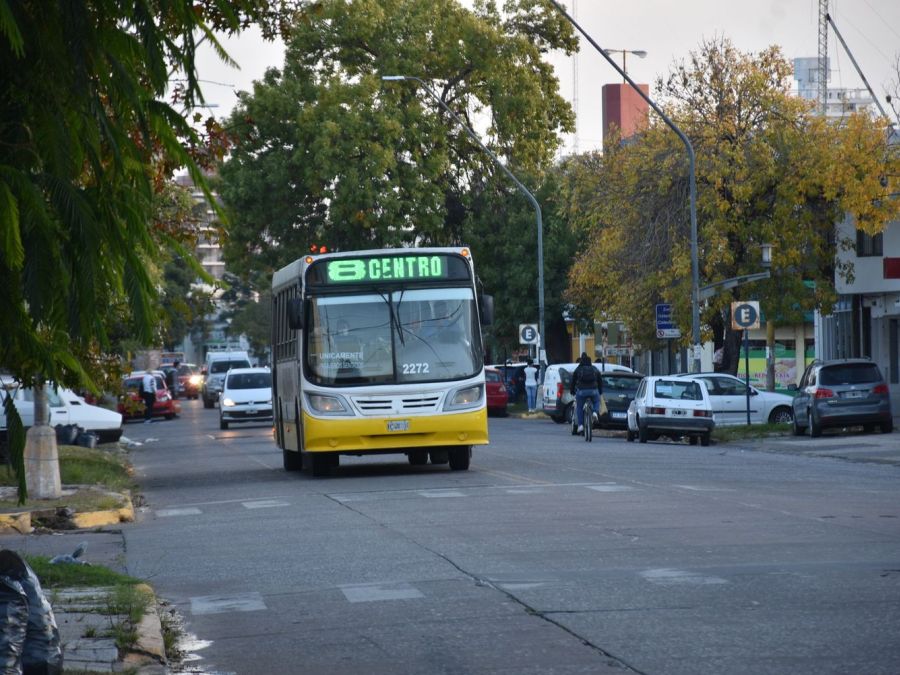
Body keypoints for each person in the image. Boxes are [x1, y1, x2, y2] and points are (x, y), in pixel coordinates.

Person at [570, 352, 600, 435]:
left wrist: (572, 390)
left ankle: (580, 425)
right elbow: (600, 381)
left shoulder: (578, 369)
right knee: (597, 401)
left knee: (579, 407)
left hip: (581, 391)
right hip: (594, 390)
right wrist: (600, 391)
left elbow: (573, 382)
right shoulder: (594, 369)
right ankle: (594, 412)